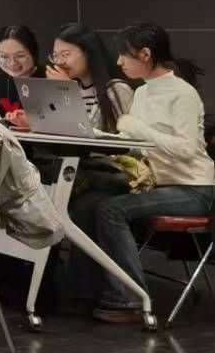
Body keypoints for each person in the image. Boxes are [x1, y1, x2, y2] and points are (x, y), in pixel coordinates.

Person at [72, 24, 210, 325]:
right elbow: (136, 144)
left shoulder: (182, 94)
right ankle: (96, 292)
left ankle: (129, 298)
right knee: (93, 202)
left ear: (145, 55)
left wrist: (137, 128)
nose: (119, 62)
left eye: (124, 55)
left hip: (195, 188)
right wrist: (97, 137)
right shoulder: (143, 92)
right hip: (160, 185)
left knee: (111, 210)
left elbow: (187, 149)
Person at [9, 23, 133, 134]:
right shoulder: (74, 88)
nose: (58, 62)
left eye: (65, 55)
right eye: (55, 56)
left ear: (88, 53)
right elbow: (60, 129)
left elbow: (88, 133)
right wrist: (34, 120)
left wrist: (67, 90)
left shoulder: (117, 90)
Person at [0, 24, 43, 120]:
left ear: (33, 53)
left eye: (20, 56)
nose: (12, 63)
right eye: (4, 56)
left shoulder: (49, 76)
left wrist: (32, 122)